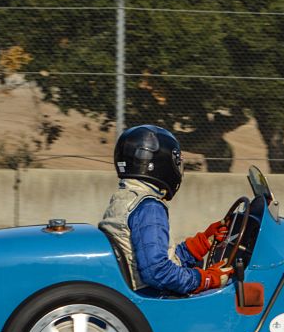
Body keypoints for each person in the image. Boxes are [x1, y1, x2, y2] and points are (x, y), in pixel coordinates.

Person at [99, 125, 232, 295]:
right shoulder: (149, 207)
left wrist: (202, 243)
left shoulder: (124, 198)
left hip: (136, 293)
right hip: (152, 298)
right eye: (176, 161)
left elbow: (155, 258)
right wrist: (205, 279)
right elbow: (157, 272)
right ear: (161, 163)